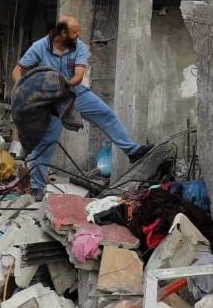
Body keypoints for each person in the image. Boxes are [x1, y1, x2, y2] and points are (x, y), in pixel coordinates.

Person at [12, 15, 151, 192]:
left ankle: (132, 151)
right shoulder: (39, 47)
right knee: (47, 142)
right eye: (74, 31)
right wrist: (23, 90)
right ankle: (38, 187)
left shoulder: (80, 47)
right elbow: (18, 70)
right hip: (48, 99)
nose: (79, 34)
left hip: (72, 91)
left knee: (105, 114)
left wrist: (65, 88)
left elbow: (78, 75)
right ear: (63, 33)